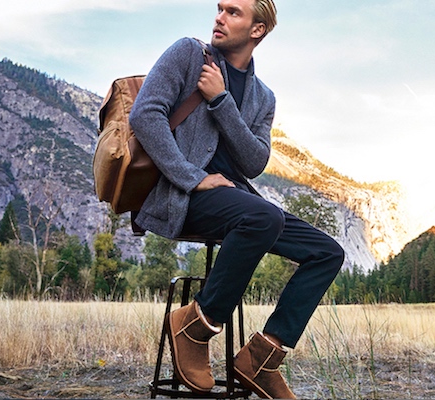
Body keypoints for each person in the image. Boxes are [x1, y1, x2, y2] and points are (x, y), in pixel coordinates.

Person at [129, 0, 344, 398]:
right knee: (262, 218)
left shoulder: (263, 97)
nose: (219, 17)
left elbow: (254, 162)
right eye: (220, 8)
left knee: (327, 252)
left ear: (257, 29)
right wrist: (193, 178)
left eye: (233, 12)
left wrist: (221, 101)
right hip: (182, 195)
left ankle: (262, 358)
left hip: (238, 201)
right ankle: (196, 326)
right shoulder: (189, 54)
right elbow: (145, 115)